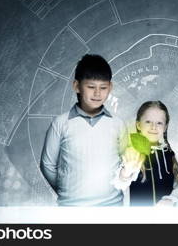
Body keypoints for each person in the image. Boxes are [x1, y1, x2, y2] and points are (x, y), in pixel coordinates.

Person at [40, 54, 126, 206]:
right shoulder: (61, 123)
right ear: (76, 86)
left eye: (103, 87)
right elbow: (47, 165)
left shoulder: (118, 124)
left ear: (110, 87)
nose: (97, 93)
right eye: (91, 87)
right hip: (72, 209)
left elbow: (127, 163)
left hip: (112, 208)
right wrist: (67, 192)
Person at [113, 101, 178, 206]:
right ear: (138, 124)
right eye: (148, 122)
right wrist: (126, 172)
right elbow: (119, 184)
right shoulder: (130, 152)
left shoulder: (170, 154)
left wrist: (171, 199)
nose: (153, 127)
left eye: (159, 123)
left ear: (165, 127)